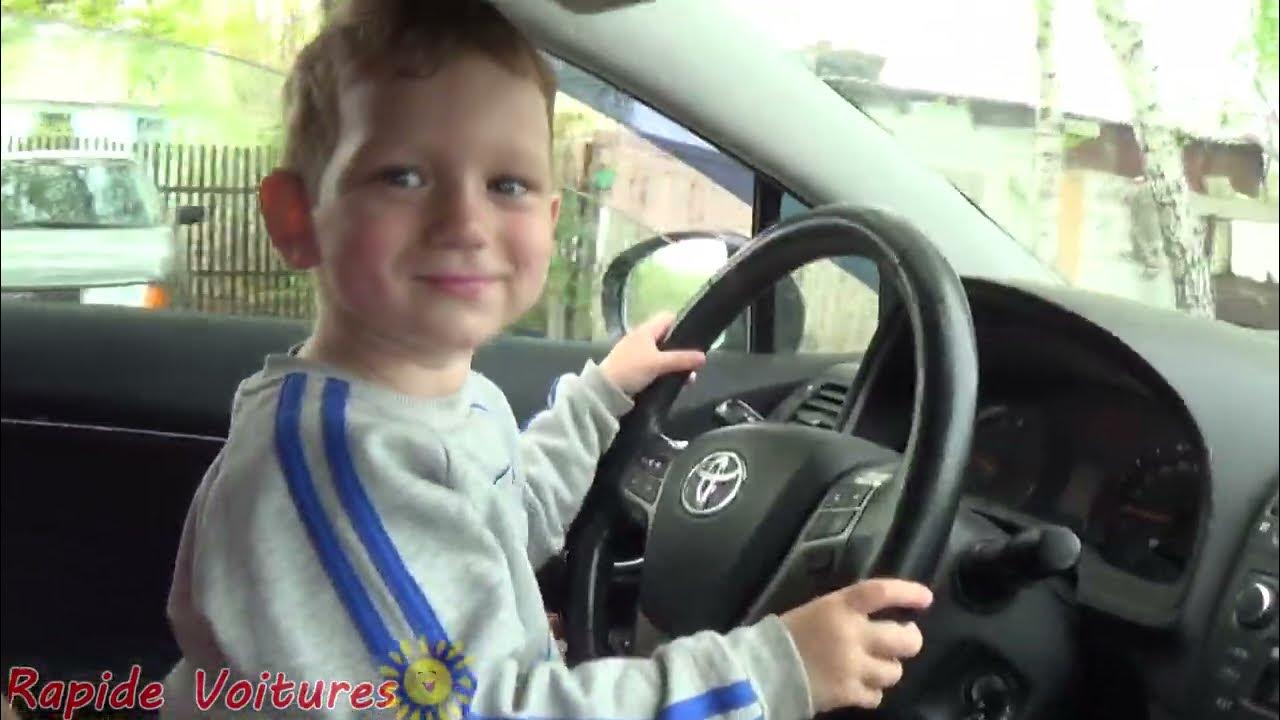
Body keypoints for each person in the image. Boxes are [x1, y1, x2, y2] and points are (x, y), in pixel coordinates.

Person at [161, 1, 934, 718]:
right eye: (402, 176)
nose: (464, 220)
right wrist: (767, 671)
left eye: (508, 184)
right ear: (299, 220)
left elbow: (511, 515)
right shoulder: (339, 465)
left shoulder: (443, 399)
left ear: (552, 217)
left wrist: (602, 397)